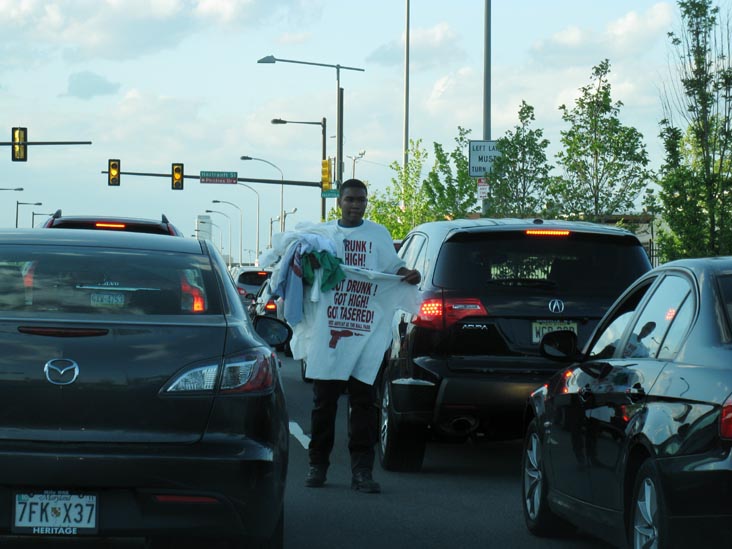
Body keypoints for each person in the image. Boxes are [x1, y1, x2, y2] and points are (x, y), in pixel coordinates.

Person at [304, 178, 420, 494]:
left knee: (364, 405)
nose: (356, 205)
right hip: (331, 330)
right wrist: (310, 263)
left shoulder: (378, 234)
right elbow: (305, 272)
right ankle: (317, 465)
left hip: (366, 331)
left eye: (361, 200)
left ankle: (362, 472)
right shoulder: (323, 236)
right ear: (339, 201)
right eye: (350, 199)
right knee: (323, 404)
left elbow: (394, 269)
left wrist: (409, 276)